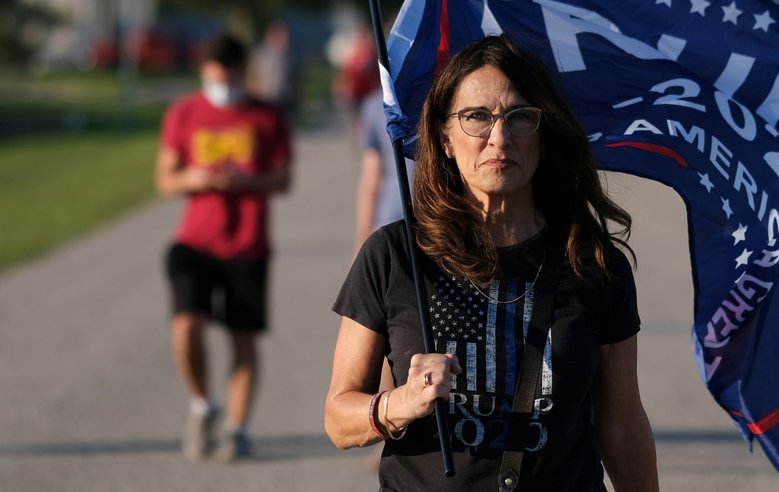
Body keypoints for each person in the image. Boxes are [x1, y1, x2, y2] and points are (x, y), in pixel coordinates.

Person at [325, 35, 659, 490]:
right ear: (444, 138)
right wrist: (399, 403)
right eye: (476, 117)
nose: (498, 139)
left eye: (520, 118)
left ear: (545, 135)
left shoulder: (596, 264)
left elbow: (623, 428)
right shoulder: (394, 256)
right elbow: (338, 418)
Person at [156, 32, 293, 462]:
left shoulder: (267, 116)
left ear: (242, 72)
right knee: (185, 327)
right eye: (215, 75)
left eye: (230, 75)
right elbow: (165, 180)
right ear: (204, 72)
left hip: (248, 244)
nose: (222, 83)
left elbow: (284, 179)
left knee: (244, 341)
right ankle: (202, 405)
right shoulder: (184, 113)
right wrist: (194, 179)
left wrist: (244, 182)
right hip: (194, 243)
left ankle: (237, 428)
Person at [352, 86, 415, 256]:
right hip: (394, 216)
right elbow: (371, 178)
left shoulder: (374, 105)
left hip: (433, 220)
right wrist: (362, 240)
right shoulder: (374, 106)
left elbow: (371, 178)